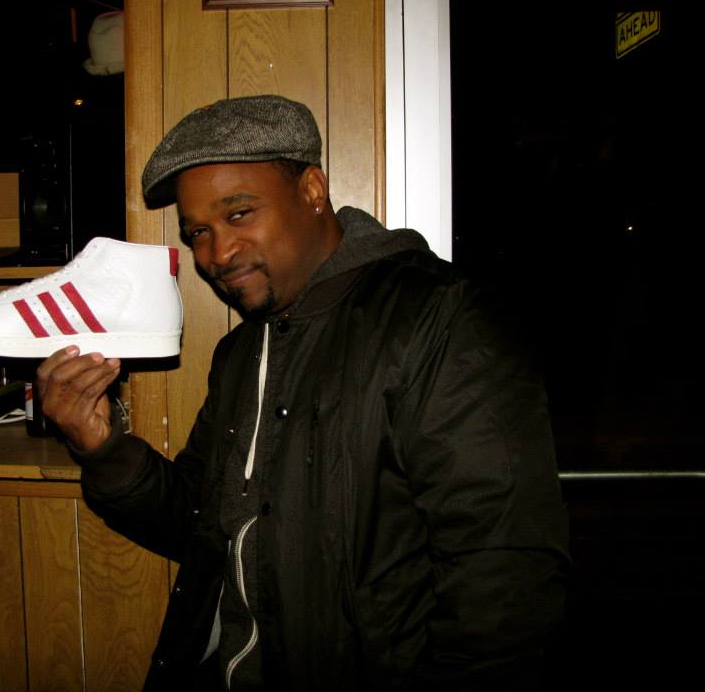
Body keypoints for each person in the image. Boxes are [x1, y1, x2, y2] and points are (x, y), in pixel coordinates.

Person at [36, 95, 570, 691]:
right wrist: (102, 447)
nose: (217, 254)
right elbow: (200, 525)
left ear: (313, 191)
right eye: (199, 233)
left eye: (240, 214)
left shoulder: (441, 319)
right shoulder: (241, 353)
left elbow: (504, 577)